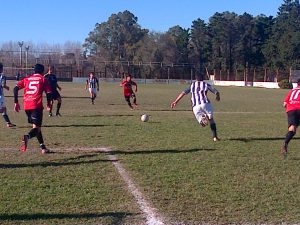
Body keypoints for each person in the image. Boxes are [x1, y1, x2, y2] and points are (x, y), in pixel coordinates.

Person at [13, 63, 52, 154]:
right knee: (37, 129)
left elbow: (15, 89)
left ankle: (43, 148)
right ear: (42, 71)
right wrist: (49, 104)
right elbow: (49, 93)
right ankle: (27, 136)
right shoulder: (43, 79)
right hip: (36, 106)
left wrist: (16, 102)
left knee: (36, 127)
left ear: (34, 71)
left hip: (27, 105)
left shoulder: (27, 79)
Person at [171, 74, 220, 141]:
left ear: (196, 79)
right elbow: (216, 91)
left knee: (203, 124)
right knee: (211, 120)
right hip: (205, 104)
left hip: (195, 106)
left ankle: (202, 118)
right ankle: (215, 137)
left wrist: (175, 102)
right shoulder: (205, 84)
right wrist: (217, 96)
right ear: (203, 79)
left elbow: (183, 93)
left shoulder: (192, 85)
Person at [281, 78, 300, 156]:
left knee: (292, 129)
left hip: (291, 110)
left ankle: (285, 143)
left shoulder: (292, 90)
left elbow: (284, 104)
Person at [0, 63, 16, 128]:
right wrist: (7, 87)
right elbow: (3, 85)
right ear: (1, 69)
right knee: (2, 110)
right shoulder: (2, 76)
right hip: (0, 95)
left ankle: (8, 123)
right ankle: (8, 123)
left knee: (4, 109)